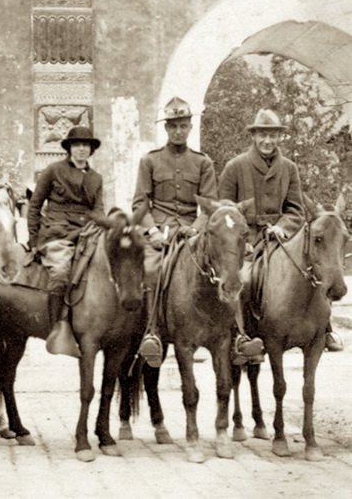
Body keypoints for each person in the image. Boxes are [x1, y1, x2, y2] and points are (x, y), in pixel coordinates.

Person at [219, 108, 340, 355]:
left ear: (279, 137)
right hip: (248, 241)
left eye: (273, 135)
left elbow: (295, 209)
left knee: (311, 271)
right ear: (253, 136)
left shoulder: (289, 168)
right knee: (243, 279)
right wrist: (241, 236)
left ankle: (324, 328)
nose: (267, 141)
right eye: (262, 135)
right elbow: (225, 212)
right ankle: (240, 335)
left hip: (281, 240)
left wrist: (282, 227)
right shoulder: (235, 167)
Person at [132, 97, 219, 367]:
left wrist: (196, 229)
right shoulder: (150, 161)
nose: (178, 131)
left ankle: (225, 333)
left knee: (222, 270)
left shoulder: (203, 163)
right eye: (173, 126)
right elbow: (139, 203)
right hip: (161, 234)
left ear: (190, 127)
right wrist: (152, 233)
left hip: (192, 234)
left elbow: (208, 206)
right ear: (166, 129)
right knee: (149, 270)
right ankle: (152, 333)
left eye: (183, 125)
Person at [27, 125, 104, 358]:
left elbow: (99, 212)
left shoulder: (96, 178)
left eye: (85, 145)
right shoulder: (53, 171)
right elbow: (34, 206)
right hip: (57, 233)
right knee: (60, 274)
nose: (81, 149)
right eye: (77, 145)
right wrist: (33, 241)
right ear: (69, 148)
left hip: (87, 233)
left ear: (91, 150)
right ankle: (57, 328)